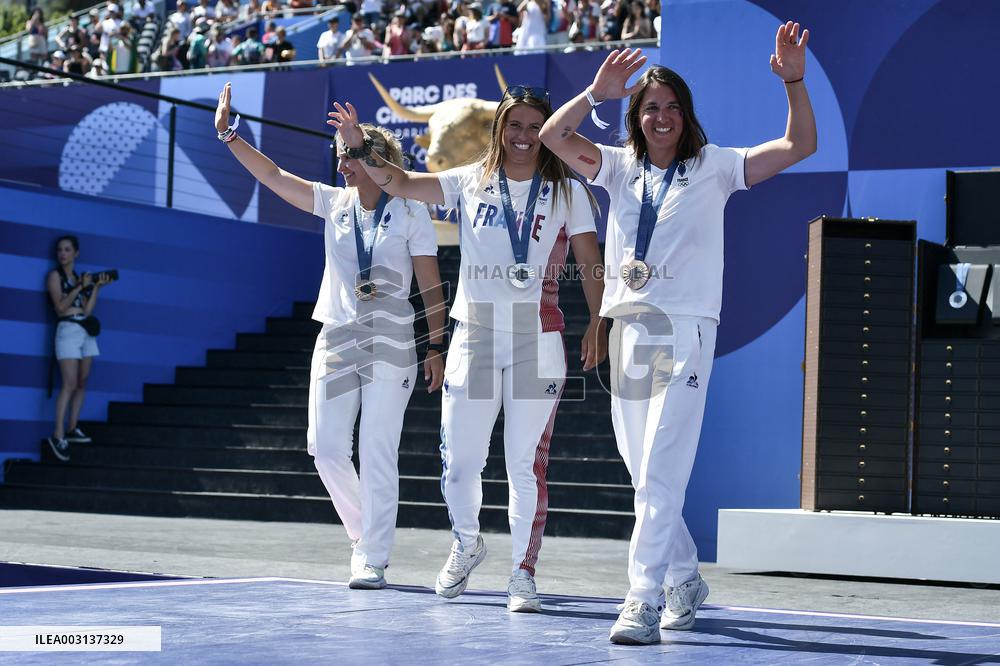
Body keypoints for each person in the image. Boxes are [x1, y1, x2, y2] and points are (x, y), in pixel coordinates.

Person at [538, 25, 817, 644]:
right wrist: (595, 91)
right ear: (635, 117)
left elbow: (801, 143)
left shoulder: (717, 167)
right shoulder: (614, 168)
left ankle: (641, 599)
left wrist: (794, 81)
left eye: (672, 107)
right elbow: (553, 136)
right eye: (650, 107)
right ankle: (686, 577)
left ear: (687, 116)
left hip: (687, 329)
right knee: (644, 473)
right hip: (627, 330)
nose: (662, 117)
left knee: (662, 466)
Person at [327, 85, 608, 612]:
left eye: (533, 126)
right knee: (460, 462)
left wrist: (599, 318)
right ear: (497, 128)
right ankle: (466, 540)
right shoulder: (468, 181)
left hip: (538, 337)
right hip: (477, 335)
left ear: (546, 130)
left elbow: (591, 259)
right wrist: (358, 146)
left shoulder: (568, 190)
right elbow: (403, 182)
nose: (523, 136)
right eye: (514, 125)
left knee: (526, 464)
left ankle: (523, 573)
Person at [214, 83, 446, 589]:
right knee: (325, 446)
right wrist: (232, 135)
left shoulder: (410, 211)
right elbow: (273, 176)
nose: (341, 165)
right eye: (340, 155)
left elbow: (430, 284)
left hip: (391, 338)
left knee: (378, 447)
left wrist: (436, 344)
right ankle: (365, 537)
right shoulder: (333, 203)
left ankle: (374, 558)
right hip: (338, 334)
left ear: (375, 158)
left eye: (350, 155)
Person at [46, 236, 113, 462]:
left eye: (67, 250)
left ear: (76, 253)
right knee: (69, 383)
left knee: (83, 382)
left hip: (84, 330)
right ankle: (58, 434)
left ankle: (72, 428)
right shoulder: (54, 276)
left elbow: (87, 310)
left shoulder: (78, 277)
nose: (62, 254)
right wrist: (78, 287)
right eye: (59, 250)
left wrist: (96, 288)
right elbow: (60, 307)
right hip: (67, 330)